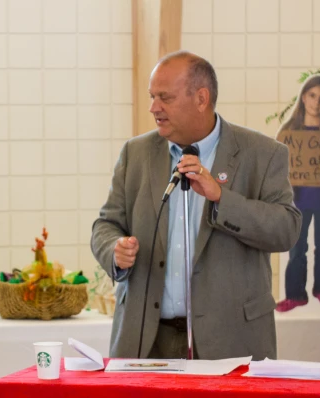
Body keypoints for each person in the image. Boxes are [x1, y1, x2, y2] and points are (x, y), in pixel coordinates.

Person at [91, 51, 301, 361]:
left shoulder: (263, 153)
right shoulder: (135, 153)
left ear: (201, 98)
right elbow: (105, 225)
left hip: (230, 341)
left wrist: (220, 197)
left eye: (165, 97)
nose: (154, 108)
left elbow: (286, 230)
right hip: (146, 340)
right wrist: (115, 249)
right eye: (152, 97)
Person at [276, 75, 320, 312]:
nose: (317, 103)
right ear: (304, 97)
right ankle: (295, 294)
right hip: (298, 200)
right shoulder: (289, 132)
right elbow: (279, 166)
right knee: (297, 248)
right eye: (313, 96)